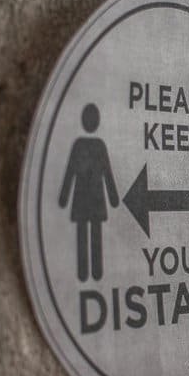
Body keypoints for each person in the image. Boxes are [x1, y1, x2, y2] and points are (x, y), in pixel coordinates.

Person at [59, 103, 118, 281]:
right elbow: (107, 173)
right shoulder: (97, 145)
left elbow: (71, 172)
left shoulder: (82, 145)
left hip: (82, 197)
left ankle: (87, 272)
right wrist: (113, 197)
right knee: (92, 232)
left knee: (85, 233)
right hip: (94, 197)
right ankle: (93, 271)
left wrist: (64, 197)